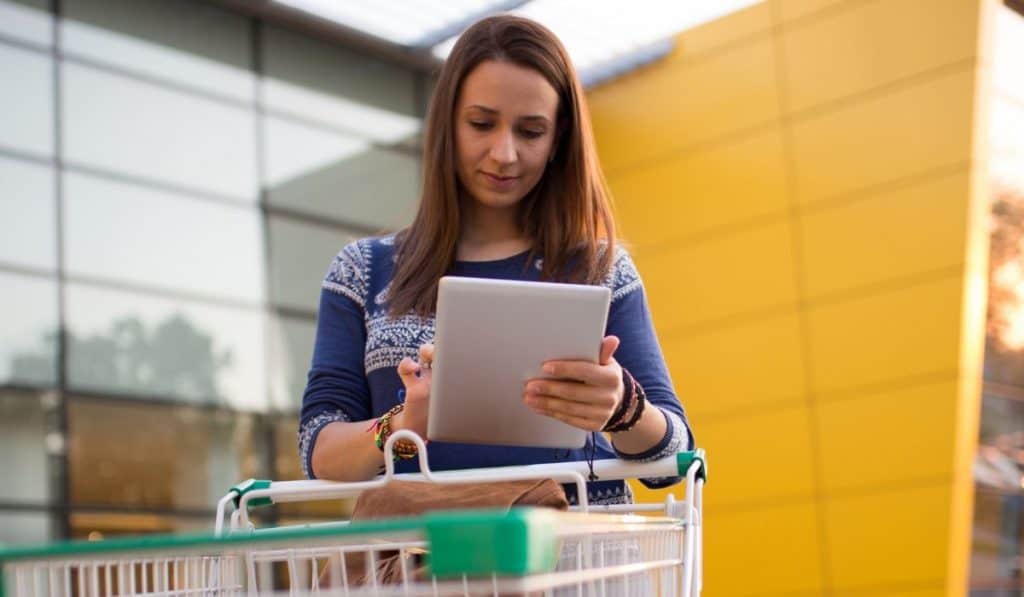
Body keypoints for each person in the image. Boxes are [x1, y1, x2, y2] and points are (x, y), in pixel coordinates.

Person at [298, 14, 693, 506]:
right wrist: (400, 424)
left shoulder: (601, 270)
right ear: (448, 124)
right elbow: (318, 448)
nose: (504, 153)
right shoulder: (361, 271)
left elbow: (674, 457)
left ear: (557, 141)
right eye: (481, 124)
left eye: (530, 131)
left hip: (580, 569)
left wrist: (622, 408)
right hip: (423, 571)